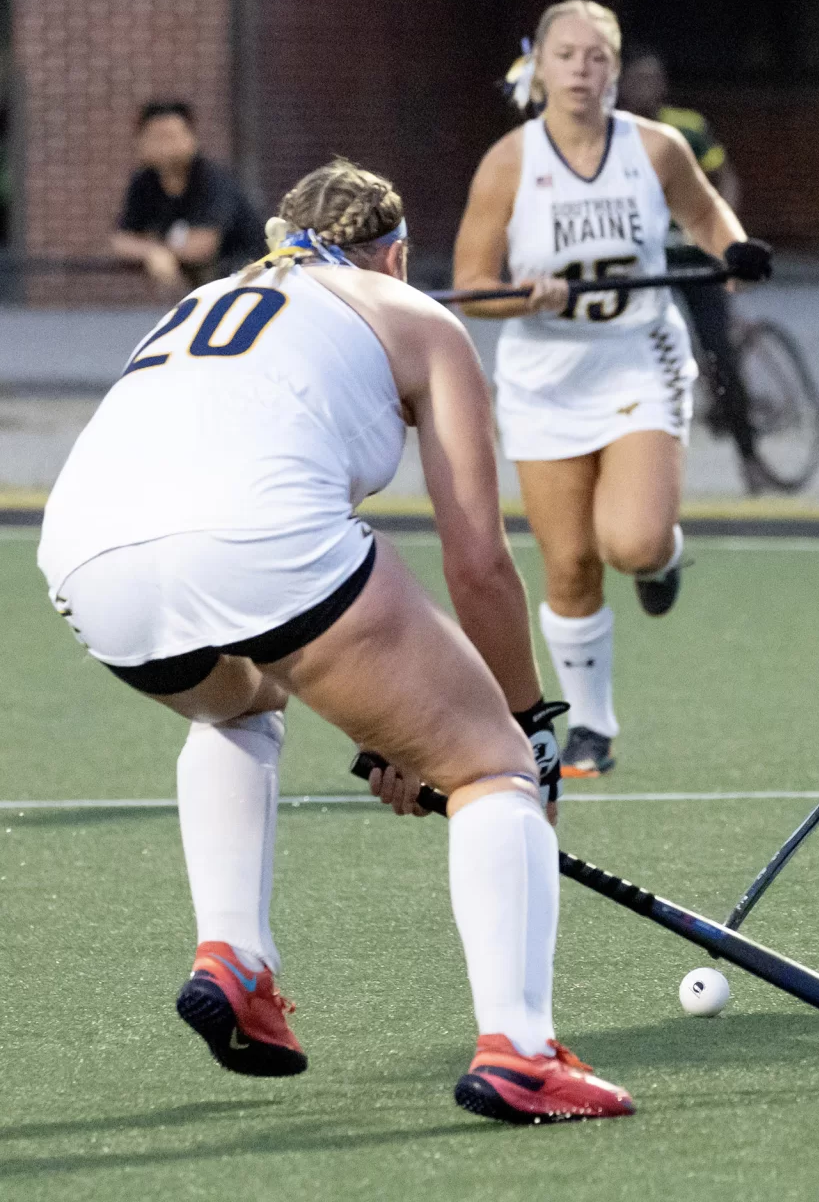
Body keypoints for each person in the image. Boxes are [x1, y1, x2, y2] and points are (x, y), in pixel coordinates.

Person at [37, 158, 632, 1124]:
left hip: (82, 554)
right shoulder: (421, 319)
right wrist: (527, 727)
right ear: (396, 253)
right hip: (256, 540)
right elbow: (477, 565)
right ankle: (521, 1053)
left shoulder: (211, 297)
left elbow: (290, 622)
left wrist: (395, 729)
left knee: (240, 707)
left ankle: (234, 955)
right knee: (489, 767)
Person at [453, 0, 771, 781]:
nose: (581, 72)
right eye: (566, 56)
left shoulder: (654, 148)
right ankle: (591, 725)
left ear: (615, 70)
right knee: (569, 566)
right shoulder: (508, 162)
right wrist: (521, 297)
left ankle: (663, 556)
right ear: (541, 65)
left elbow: (705, 215)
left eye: (597, 58)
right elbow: (471, 287)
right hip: (545, 378)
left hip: (637, 356)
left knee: (629, 542)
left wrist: (736, 250)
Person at [619, 46, 774, 491]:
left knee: (719, 354)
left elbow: (724, 178)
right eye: (639, 78)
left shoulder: (686, 126)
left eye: (656, 77)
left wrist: (723, 239)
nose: (649, 87)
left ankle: (750, 456)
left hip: (693, 263)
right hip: (645, 269)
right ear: (622, 82)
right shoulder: (612, 133)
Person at [109, 100, 264, 295]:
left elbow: (204, 244)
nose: (165, 147)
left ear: (191, 138)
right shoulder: (144, 181)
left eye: (172, 136)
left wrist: (163, 252)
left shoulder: (212, 179)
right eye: (156, 138)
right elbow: (121, 239)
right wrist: (152, 252)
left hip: (244, 278)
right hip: (196, 288)